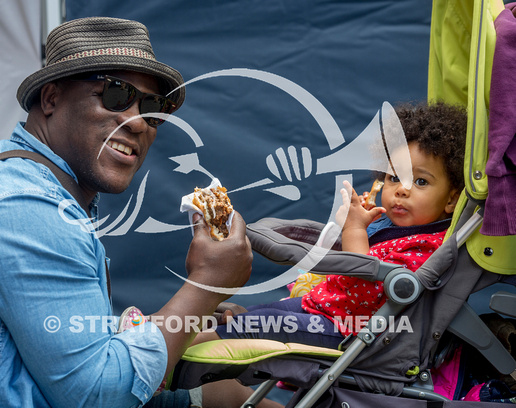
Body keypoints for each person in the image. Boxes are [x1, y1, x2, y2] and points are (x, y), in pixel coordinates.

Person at [0, 17, 281, 408]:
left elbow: (66, 343)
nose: (137, 123)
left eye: (153, 109)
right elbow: (101, 395)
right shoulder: (25, 207)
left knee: (227, 394)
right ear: (51, 99)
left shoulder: (41, 189)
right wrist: (205, 285)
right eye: (116, 95)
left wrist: (188, 320)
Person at [192, 101, 467, 348]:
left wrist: (355, 230)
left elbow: (364, 280)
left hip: (350, 329)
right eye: (394, 177)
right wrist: (353, 228)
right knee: (257, 314)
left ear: (452, 199)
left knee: (253, 326)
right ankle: (234, 324)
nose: (402, 190)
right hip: (323, 307)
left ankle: (172, 357)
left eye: (420, 181)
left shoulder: (428, 247)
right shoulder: (390, 228)